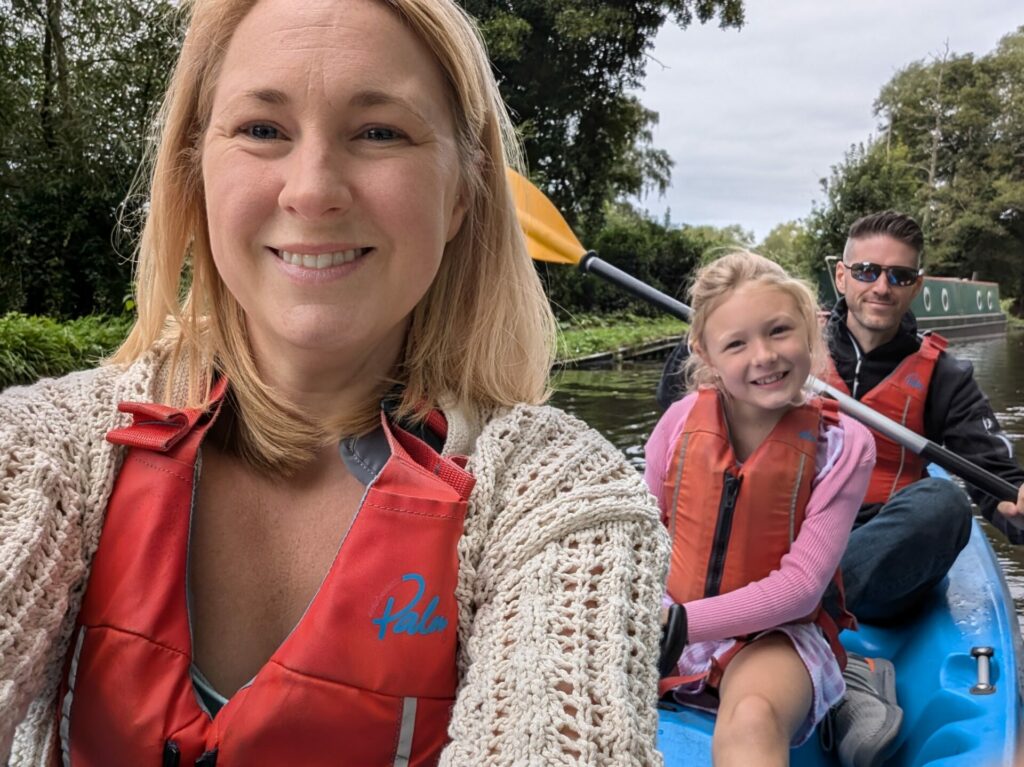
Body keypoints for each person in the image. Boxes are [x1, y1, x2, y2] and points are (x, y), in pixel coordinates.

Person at [0, 1, 670, 764]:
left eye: (379, 132)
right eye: (262, 130)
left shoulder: (561, 498)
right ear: (196, 171)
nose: (313, 189)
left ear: (460, 193)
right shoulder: (44, 448)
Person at [645, 252, 876, 767]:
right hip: (665, 622)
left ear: (810, 332)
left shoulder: (845, 444)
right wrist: (649, 617)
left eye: (779, 331)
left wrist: (678, 622)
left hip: (774, 635)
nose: (764, 356)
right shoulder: (679, 423)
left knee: (751, 715)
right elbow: (639, 537)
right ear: (705, 353)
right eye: (736, 343)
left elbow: (800, 590)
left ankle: (846, 687)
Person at [825, 210, 1024, 623]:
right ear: (841, 277)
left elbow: (998, 479)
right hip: (795, 533)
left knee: (946, 502)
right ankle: (785, 595)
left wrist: (1018, 510)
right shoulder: (787, 347)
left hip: (886, 548)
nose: (881, 287)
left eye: (899, 276)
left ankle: (788, 604)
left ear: (916, 286)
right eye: (866, 272)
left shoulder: (945, 376)